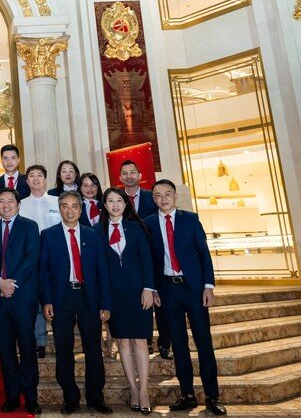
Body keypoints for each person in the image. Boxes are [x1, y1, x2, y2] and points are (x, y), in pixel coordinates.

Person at [143, 180, 226, 416]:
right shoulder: (148, 224)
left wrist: (208, 286)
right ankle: (187, 394)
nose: (163, 198)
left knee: (203, 343)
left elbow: (204, 254)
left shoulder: (190, 219)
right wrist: (153, 288)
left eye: (167, 194)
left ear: (175, 196)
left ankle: (212, 396)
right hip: (168, 290)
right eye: (157, 195)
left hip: (194, 289)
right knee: (178, 345)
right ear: (154, 199)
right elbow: (149, 260)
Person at [40, 191, 112, 415]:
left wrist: (106, 303)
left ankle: (95, 397)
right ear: (59, 209)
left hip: (88, 298)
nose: (69, 210)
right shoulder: (48, 235)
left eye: (74, 206)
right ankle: (70, 397)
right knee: (63, 349)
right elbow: (43, 271)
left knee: (93, 349)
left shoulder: (93, 236)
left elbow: (103, 273)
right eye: (65, 206)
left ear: (80, 210)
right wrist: (47, 300)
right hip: (61, 299)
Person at [98, 188, 155, 414]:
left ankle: (144, 391)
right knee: (122, 342)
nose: (114, 205)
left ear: (126, 204)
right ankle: (133, 388)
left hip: (138, 292)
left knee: (140, 341)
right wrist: (104, 300)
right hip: (114, 294)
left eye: (119, 201)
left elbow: (147, 260)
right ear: (104, 205)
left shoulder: (136, 228)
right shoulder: (97, 231)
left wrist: (148, 288)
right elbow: (98, 270)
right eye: (110, 201)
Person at [0, 188, 42, 415]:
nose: (6, 205)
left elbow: (32, 258)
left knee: (27, 347)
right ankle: (12, 396)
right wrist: (0, 281)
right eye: (2, 201)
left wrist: (11, 283)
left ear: (18, 205)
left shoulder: (29, 226)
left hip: (23, 297)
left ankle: (30, 396)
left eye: (11, 201)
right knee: (6, 349)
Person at [119, 159, 169, 358]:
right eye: (125, 173)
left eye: (133, 172)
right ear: (120, 177)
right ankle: (144, 338)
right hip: (130, 260)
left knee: (160, 301)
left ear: (140, 176)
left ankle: (165, 342)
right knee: (139, 301)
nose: (129, 176)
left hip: (155, 256)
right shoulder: (117, 199)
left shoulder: (152, 197)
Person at [18, 165, 62, 359]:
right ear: (26, 181)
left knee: (57, 300)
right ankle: (40, 341)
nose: (35, 179)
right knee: (35, 302)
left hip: (55, 259)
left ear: (45, 179)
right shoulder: (21, 204)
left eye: (39, 176)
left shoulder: (57, 201)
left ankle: (62, 338)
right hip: (31, 260)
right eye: (31, 176)